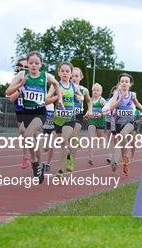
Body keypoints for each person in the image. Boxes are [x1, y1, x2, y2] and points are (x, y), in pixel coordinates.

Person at [5, 51, 63, 183]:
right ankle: (39, 164)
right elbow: (8, 92)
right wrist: (20, 85)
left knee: (27, 135)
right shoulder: (22, 75)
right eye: (31, 63)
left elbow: (56, 84)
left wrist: (59, 98)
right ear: (27, 64)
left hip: (39, 112)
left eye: (37, 63)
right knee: (35, 142)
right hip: (26, 113)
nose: (33, 65)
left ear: (41, 64)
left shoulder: (45, 76)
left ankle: (34, 162)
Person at [48, 61, 90, 178]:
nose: (65, 73)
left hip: (71, 118)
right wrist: (57, 96)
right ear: (58, 73)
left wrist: (80, 97)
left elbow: (83, 97)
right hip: (57, 119)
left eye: (67, 71)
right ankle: (68, 153)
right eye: (62, 71)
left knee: (64, 140)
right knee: (64, 144)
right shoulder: (55, 86)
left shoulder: (75, 87)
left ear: (70, 74)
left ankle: (60, 171)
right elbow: (46, 100)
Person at [102, 73, 142, 176]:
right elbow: (112, 107)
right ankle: (120, 161)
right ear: (119, 83)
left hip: (129, 122)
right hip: (118, 122)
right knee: (120, 142)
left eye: (126, 81)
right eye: (122, 81)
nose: (124, 83)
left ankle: (125, 156)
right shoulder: (116, 93)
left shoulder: (132, 95)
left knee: (123, 135)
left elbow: (137, 104)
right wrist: (120, 99)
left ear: (130, 84)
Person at [87, 83, 107, 166]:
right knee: (91, 139)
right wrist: (86, 115)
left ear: (101, 92)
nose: (95, 92)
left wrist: (101, 114)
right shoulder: (90, 100)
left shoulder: (102, 100)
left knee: (100, 137)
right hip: (92, 121)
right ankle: (90, 158)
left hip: (100, 122)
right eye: (94, 90)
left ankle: (103, 141)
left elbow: (107, 110)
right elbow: (89, 110)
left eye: (97, 90)